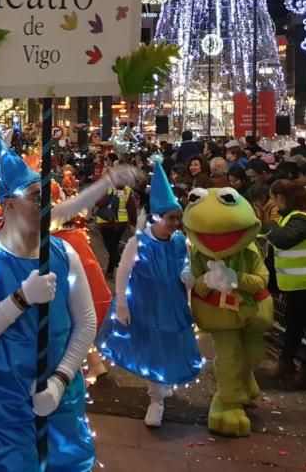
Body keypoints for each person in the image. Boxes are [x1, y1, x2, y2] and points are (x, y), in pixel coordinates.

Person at [0, 131, 98, 471]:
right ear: (8, 204)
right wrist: (20, 299)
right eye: (36, 196)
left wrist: (60, 380)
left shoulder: (64, 252)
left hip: (58, 398)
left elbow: (85, 320)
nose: (46, 203)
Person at [99, 164, 202, 427]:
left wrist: (187, 275)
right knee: (150, 349)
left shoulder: (179, 241)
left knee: (169, 345)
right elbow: (122, 271)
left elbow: (185, 263)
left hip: (172, 302)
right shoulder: (139, 242)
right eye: (171, 218)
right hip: (146, 303)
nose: (176, 224)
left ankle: (162, 383)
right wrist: (121, 302)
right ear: (156, 218)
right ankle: (156, 399)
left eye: (178, 218)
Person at [261, 179, 306, 389]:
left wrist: (267, 225)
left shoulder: (304, 219)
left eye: (273, 198)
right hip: (296, 285)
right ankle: (286, 363)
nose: (272, 203)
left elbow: (284, 240)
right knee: (293, 327)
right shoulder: (292, 217)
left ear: (280, 198)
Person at [94, 170, 137, 278]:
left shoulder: (107, 188)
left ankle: (124, 268)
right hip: (121, 223)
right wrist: (133, 222)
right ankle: (110, 271)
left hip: (106, 222)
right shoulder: (127, 190)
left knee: (112, 248)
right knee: (114, 247)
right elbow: (131, 208)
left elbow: (99, 203)